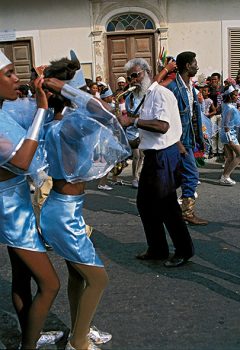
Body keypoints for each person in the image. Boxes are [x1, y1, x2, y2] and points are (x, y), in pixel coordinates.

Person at [41, 55, 130, 349]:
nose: (88, 95)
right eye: (81, 91)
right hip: (63, 215)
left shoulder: (63, 122)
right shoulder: (66, 126)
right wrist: (66, 89)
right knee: (98, 279)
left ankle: (81, 328)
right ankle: (78, 342)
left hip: (67, 209)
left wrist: (65, 90)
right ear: (69, 94)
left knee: (78, 276)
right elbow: (106, 113)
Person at [0, 51, 60, 349]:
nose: (16, 79)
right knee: (50, 284)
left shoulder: (3, 110)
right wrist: (41, 108)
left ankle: (30, 335)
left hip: (16, 201)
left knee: (22, 277)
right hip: (10, 209)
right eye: (9, 73)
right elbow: (22, 160)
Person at [118, 57, 194, 268]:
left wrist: (131, 121)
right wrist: (126, 144)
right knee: (145, 204)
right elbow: (148, 133)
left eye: (136, 75)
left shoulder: (160, 94)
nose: (133, 80)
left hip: (164, 156)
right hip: (153, 155)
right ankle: (157, 248)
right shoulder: (145, 97)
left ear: (147, 72)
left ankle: (183, 250)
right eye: (131, 77)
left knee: (168, 206)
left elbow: (162, 126)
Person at [167, 51, 208, 225]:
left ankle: (162, 205)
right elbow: (168, 119)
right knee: (191, 174)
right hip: (179, 141)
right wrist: (178, 143)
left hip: (189, 140)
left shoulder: (191, 88)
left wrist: (200, 138)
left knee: (176, 177)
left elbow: (192, 116)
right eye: (194, 63)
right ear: (187, 66)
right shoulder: (174, 89)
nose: (197, 66)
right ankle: (187, 212)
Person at [219, 85, 240, 185]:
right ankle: (226, 176)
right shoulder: (230, 107)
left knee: (231, 157)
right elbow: (226, 124)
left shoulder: (225, 105)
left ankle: (224, 177)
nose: (237, 97)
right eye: (235, 95)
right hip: (229, 135)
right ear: (230, 96)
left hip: (225, 134)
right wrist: (230, 139)